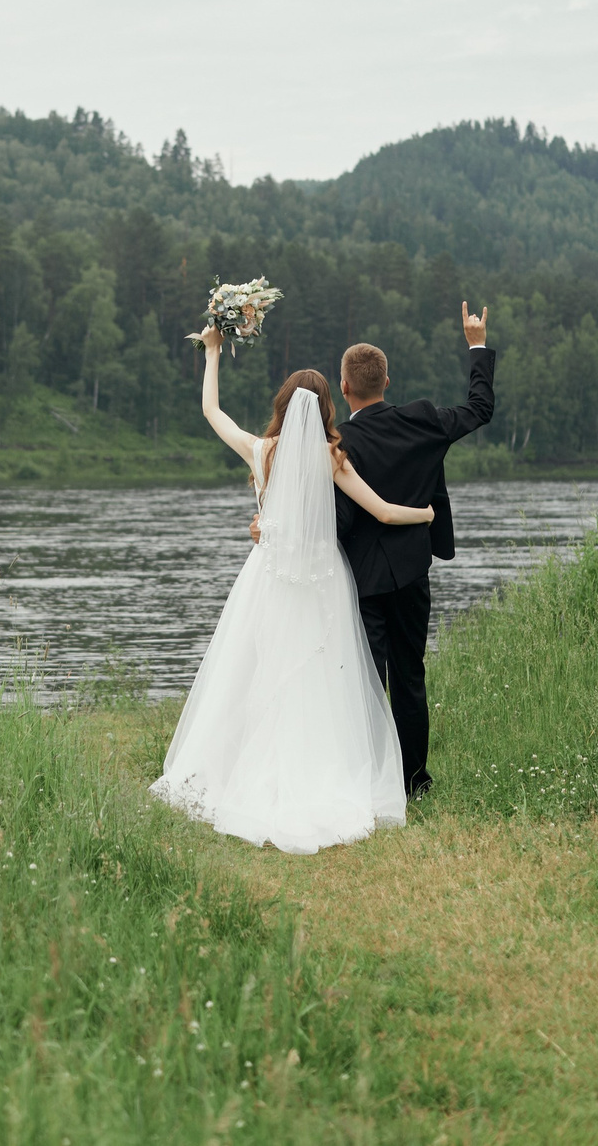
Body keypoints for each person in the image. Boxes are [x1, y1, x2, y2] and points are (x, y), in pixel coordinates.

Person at [147, 329, 430, 852]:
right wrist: (427, 513)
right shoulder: (333, 459)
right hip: (323, 582)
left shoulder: (262, 453)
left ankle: (247, 770)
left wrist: (212, 352)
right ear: (327, 408)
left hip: (269, 578)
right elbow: (384, 513)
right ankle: (319, 768)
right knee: (323, 678)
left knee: (259, 673)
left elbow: (213, 413)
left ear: (281, 404)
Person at [332, 302, 495, 799]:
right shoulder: (423, 419)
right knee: (409, 676)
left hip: (360, 578)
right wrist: (476, 345)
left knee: (364, 680)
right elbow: (479, 409)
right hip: (411, 572)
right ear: (388, 380)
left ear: (345, 388)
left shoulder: (339, 444)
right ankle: (413, 782)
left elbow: (337, 522)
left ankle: (367, 779)